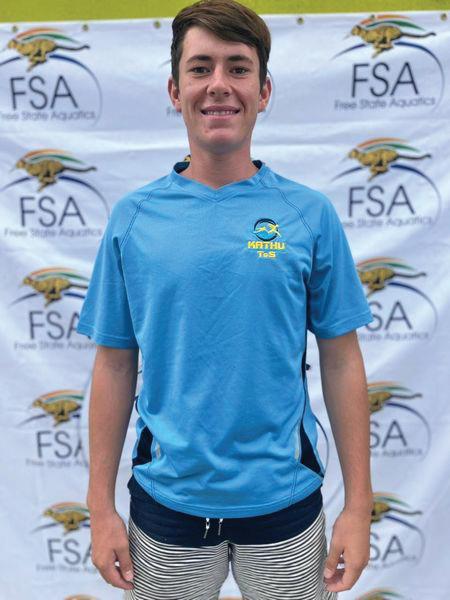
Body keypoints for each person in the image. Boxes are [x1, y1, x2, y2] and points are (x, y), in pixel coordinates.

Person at [76, 1, 374, 598]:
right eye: (200, 68)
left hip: (286, 507)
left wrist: (359, 507)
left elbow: (342, 360)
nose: (219, 85)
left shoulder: (308, 214)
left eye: (238, 68)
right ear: (175, 89)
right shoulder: (133, 219)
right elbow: (114, 365)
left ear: (263, 91)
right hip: (165, 510)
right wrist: (100, 507)